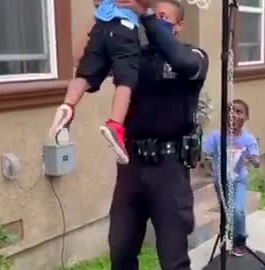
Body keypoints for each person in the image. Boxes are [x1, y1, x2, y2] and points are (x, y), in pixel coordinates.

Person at [63, 0, 209, 269]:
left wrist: (146, 14)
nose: (153, 20)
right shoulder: (133, 56)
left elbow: (181, 61)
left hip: (169, 170)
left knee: (173, 258)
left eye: (163, 16)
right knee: (120, 252)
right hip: (131, 168)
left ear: (179, 26)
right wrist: (102, 16)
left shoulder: (193, 56)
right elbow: (80, 60)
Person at [49, 0, 155, 165]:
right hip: (124, 27)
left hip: (99, 28)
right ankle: (115, 125)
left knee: (84, 75)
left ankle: (67, 107)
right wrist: (144, 7)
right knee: (126, 79)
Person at [203, 99, 260, 257]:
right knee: (227, 212)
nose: (233, 115)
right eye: (230, 111)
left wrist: (253, 159)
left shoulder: (248, 139)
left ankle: (240, 240)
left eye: (239, 112)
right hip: (220, 182)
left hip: (238, 180)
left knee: (238, 210)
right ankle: (226, 236)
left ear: (246, 117)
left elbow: (256, 161)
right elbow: (204, 156)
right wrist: (209, 168)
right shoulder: (216, 136)